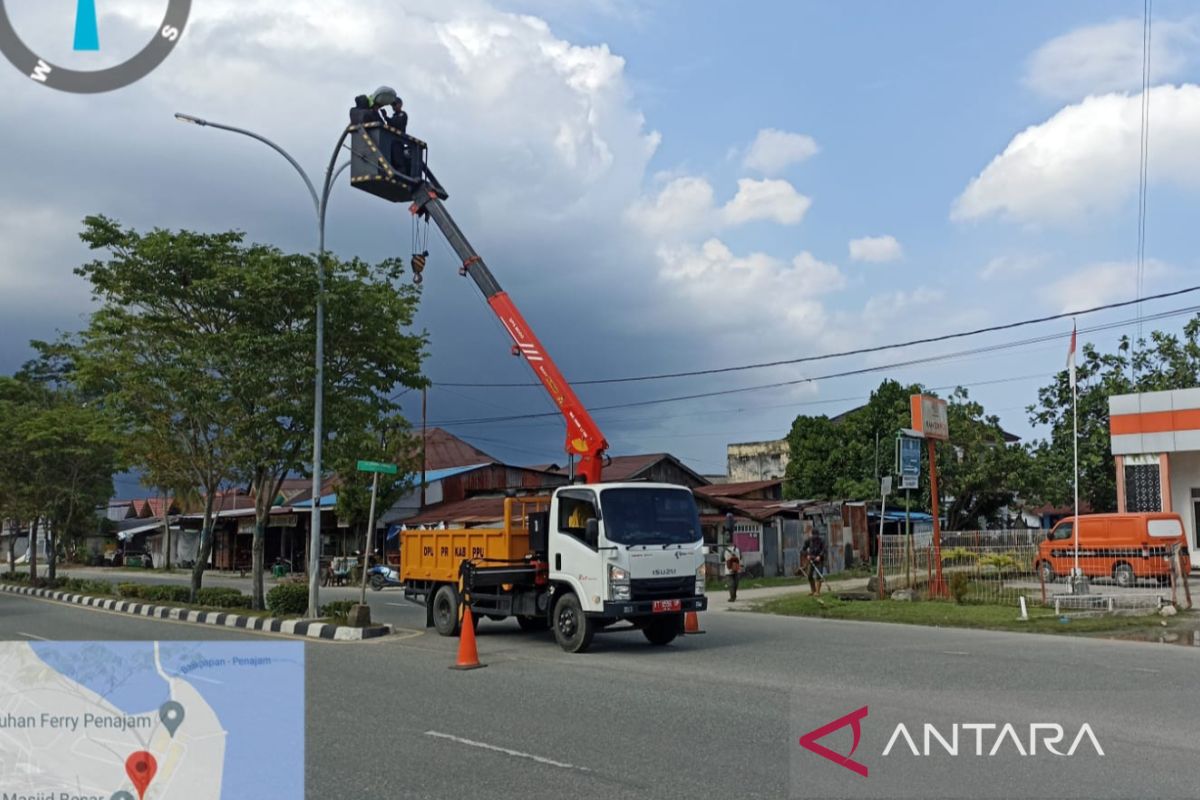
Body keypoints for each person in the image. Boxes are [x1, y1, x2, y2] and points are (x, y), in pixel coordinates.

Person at [800, 529, 826, 596]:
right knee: (809, 575)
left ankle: (817, 592)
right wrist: (807, 555)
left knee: (818, 575)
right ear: (812, 535)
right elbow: (803, 550)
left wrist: (820, 556)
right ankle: (813, 590)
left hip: (819, 560)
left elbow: (824, 549)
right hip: (811, 560)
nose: (815, 537)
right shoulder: (808, 540)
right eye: (814, 535)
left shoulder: (821, 541)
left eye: (816, 535)